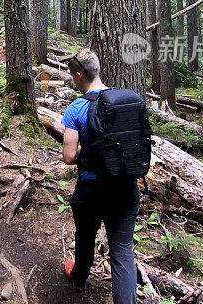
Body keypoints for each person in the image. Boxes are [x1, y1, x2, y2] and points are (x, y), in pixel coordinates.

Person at [60, 49, 141, 304]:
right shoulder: (126, 101)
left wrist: (92, 148)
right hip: (126, 188)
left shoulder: (77, 107)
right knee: (123, 252)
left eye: (74, 75)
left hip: (92, 190)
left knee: (85, 237)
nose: (73, 79)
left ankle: (79, 278)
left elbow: (69, 156)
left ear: (80, 74)